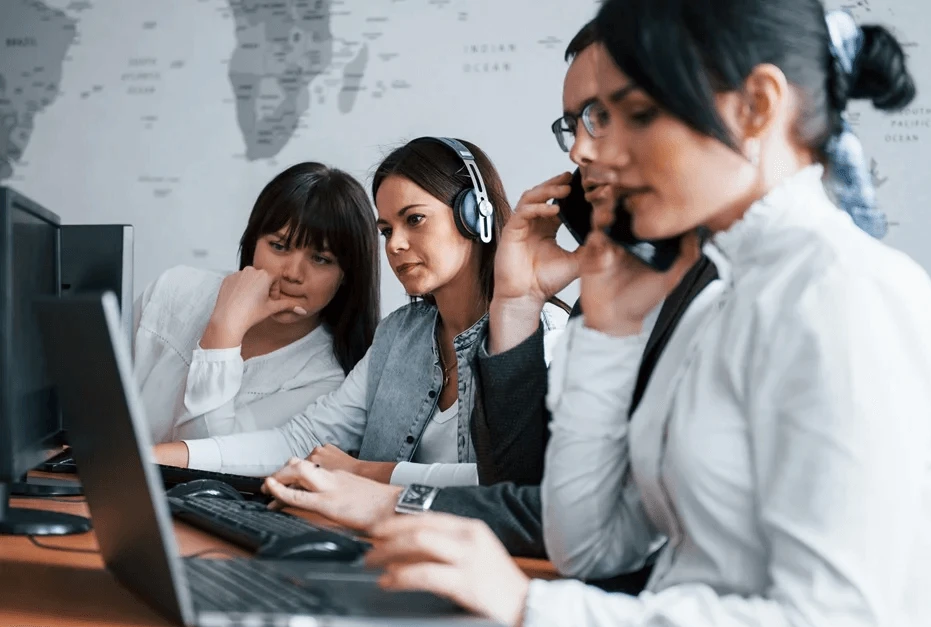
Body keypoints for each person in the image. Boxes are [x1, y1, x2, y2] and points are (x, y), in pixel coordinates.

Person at [283, 2, 931, 627]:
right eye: (588, 121)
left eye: (633, 114)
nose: (591, 151)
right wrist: (607, 337)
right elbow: (587, 544)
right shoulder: (722, 299)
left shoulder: (843, 293)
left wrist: (531, 610)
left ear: (757, 106)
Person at [261, 23, 718, 571]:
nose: (578, 150)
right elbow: (555, 506)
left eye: (606, 115)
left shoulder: (731, 295)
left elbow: (563, 521)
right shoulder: (610, 300)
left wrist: (385, 494)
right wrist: (517, 302)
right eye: (573, 125)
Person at [153, 137, 568, 487]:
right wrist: (158, 458)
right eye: (387, 230)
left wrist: (368, 473)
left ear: (474, 216)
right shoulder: (398, 336)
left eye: (415, 220)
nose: (395, 245)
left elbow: (520, 483)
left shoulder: (543, 332)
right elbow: (302, 440)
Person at [133, 162, 379, 443]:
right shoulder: (175, 289)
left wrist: (224, 331)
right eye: (279, 246)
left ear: (346, 276)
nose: (293, 274)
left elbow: (207, 458)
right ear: (253, 244)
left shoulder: (327, 382)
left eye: (320, 259)